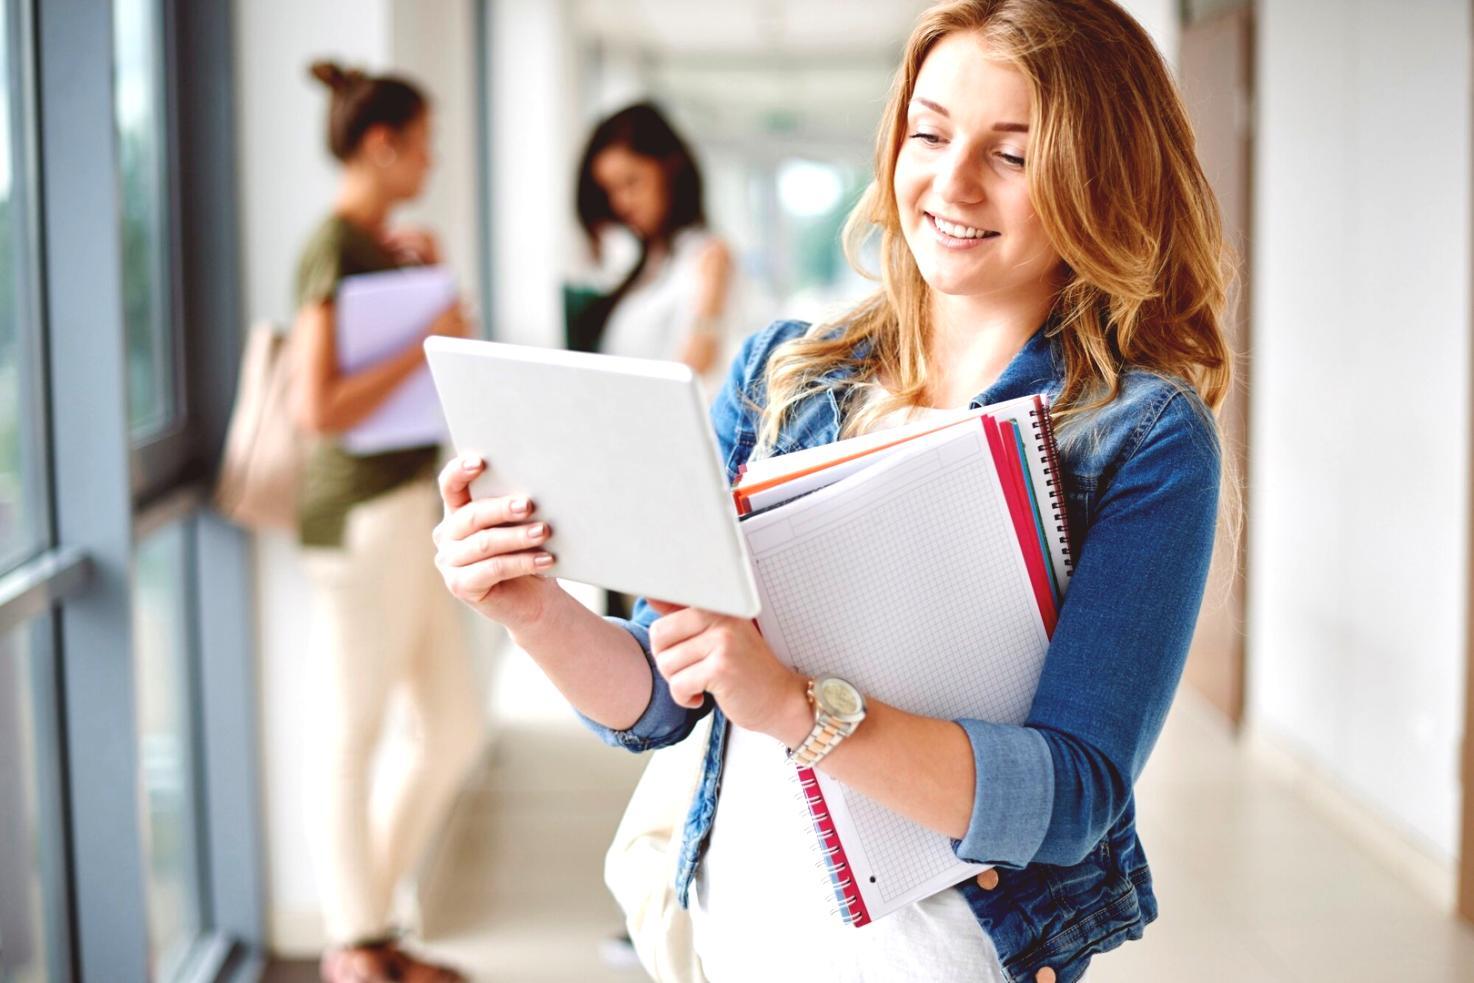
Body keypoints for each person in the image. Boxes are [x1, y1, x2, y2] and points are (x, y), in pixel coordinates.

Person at [432, 1, 1229, 980]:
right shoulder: (786, 375)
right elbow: (658, 696)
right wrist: (533, 609)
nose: (951, 181)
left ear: (1098, 174)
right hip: (736, 925)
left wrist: (797, 707)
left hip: (942, 955)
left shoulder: (1139, 433)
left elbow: (1071, 799)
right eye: (928, 132)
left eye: (1011, 154)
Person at [291, 60, 483, 983]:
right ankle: (357, 946)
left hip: (406, 503)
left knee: (451, 726)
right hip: (358, 515)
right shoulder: (329, 245)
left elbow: (441, 363)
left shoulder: (379, 245)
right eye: (425, 142)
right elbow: (316, 405)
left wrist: (431, 286)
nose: (433, 159)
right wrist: (423, 329)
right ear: (384, 143)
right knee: (353, 730)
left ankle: (368, 925)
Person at [570, 102, 732, 377]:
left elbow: (694, 372)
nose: (621, 203)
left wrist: (712, 296)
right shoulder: (642, 263)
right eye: (610, 190)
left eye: (631, 182)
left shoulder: (708, 257)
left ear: (669, 170)